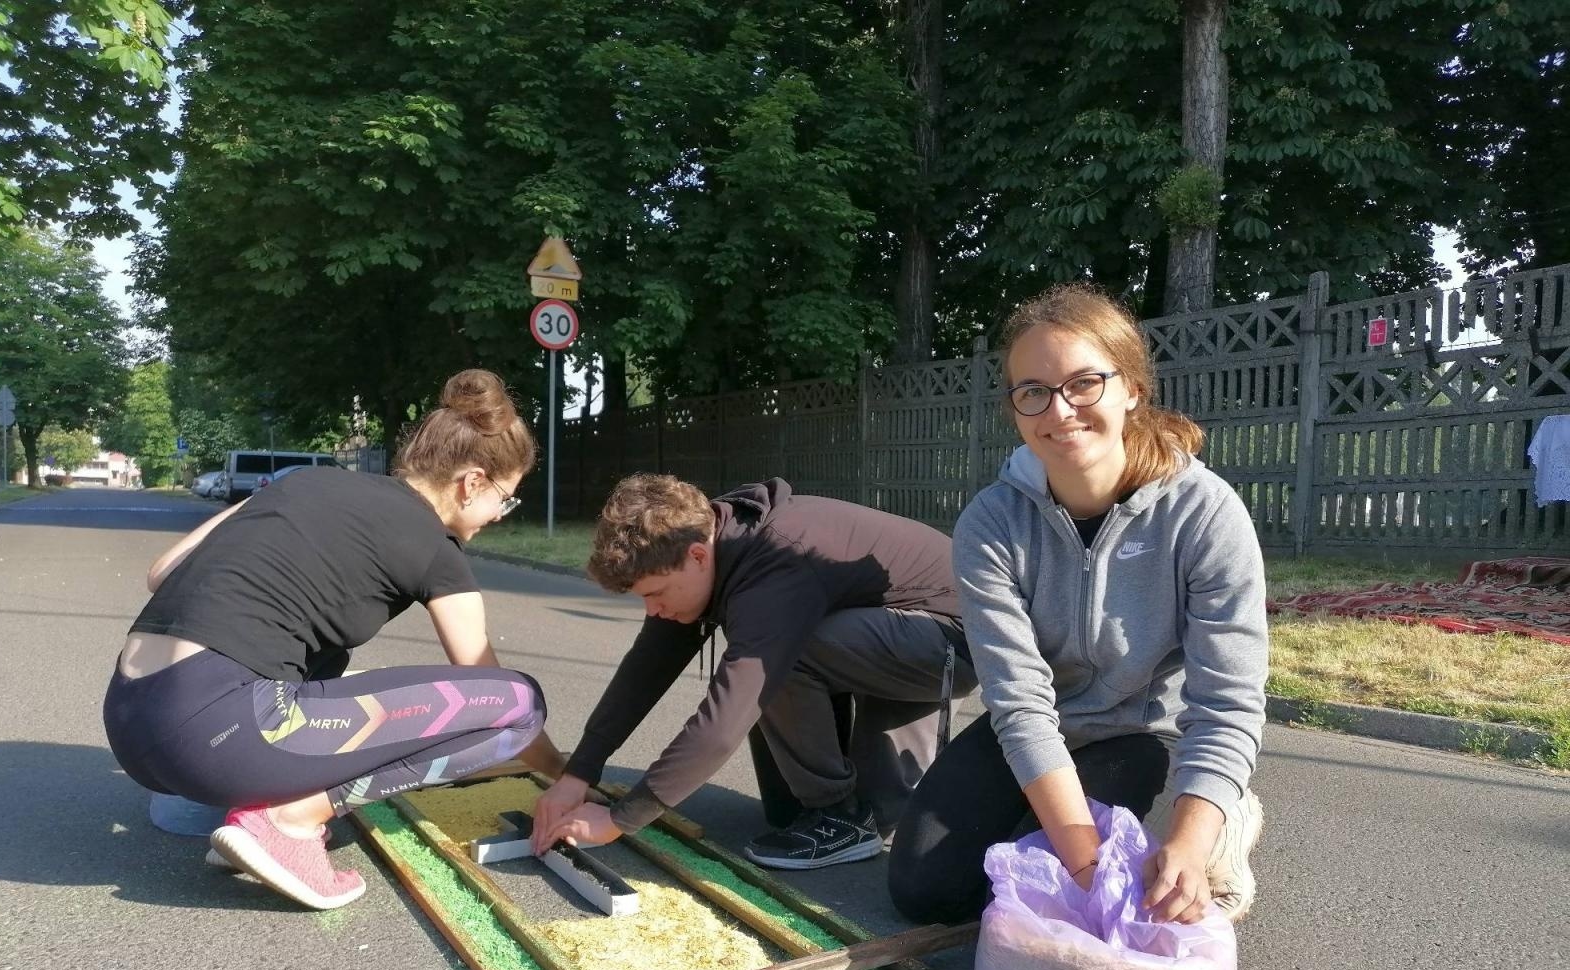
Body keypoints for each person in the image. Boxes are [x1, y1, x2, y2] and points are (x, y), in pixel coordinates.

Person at [103, 369, 576, 910]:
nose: (499, 515)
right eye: (505, 499)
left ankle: (230, 808)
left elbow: (163, 572)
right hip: (218, 734)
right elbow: (491, 692)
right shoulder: (435, 550)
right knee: (521, 701)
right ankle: (290, 822)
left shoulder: (300, 481)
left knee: (333, 666)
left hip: (131, 720)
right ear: (472, 482)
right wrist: (564, 773)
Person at [888, 284, 1268, 927]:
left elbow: (1228, 699)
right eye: (1033, 391)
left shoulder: (1205, 515)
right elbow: (1018, 698)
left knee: (1057, 899)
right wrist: (1088, 869)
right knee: (930, 893)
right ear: (1015, 407)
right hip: (1041, 725)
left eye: (1084, 382)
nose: (1059, 410)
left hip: (1143, 734)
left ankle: (1222, 816)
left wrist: (1190, 842)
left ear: (1131, 390)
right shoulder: (991, 523)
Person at [529, 474, 978, 869]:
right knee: (786, 812)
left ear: (698, 556)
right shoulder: (708, 543)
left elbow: (726, 720)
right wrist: (579, 773)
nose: (653, 609)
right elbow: (646, 668)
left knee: (776, 652)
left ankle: (841, 817)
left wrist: (620, 819)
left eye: (657, 593)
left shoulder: (772, 562)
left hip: (954, 640)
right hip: (883, 628)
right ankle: (837, 805)